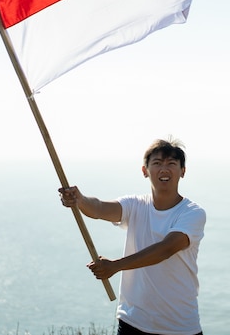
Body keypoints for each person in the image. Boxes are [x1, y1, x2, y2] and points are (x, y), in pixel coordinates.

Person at [59, 138, 206, 335]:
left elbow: (166, 249)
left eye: (171, 164)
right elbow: (100, 208)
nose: (164, 169)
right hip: (132, 322)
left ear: (183, 171)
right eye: (157, 163)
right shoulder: (135, 205)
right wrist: (79, 199)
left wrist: (116, 266)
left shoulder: (192, 213)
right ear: (145, 171)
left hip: (179, 327)